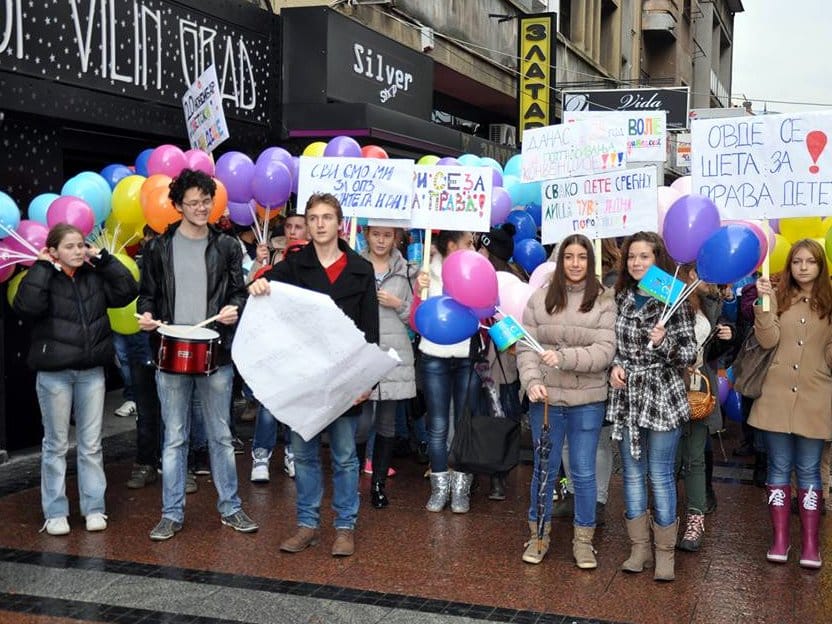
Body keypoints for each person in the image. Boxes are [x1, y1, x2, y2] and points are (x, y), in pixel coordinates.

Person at [248, 193, 379, 557]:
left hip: (344, 379)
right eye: (313, 218)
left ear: (340, 223)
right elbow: (264, 286)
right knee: (304, 454)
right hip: (303, 377)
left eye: (327, 217)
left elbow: (371, 331)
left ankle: (344, 526)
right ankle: (307, 524)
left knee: (344, 456)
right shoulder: (294, 265)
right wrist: (258, 282)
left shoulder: (360, 269)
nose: (320, 224)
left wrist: (367, 380)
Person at [138, 168, 258, 541]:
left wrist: (232, 309)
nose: (201, 208)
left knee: (221, 435)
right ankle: (171, 513)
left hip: (215, 351)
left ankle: (232, 508)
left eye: (206, 201)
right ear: (177, 205)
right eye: (193, 203)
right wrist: (145, 315)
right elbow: (148, 294)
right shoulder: (157, 247)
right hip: (170, 347)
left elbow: (240, 292)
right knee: (174, 436)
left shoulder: (226, 246)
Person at [14, 223, 137, 535]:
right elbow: (27, 306)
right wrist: (42, 266)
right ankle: (55, 513)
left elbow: (127, 291)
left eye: (81, 245)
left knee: (91, 444)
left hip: (91, 371)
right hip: (53, 373)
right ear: (53, 251)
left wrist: (105, 258)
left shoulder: (94, 275)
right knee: (55, 444)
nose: (78, 251)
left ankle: (94, 508)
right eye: (70, 246)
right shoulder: (43, 276)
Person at [516, 234, 615, 568]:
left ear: (591, 262)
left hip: (587, 400)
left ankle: (584, 540)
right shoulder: (539, 299)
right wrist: (530, 381)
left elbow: (604, 351)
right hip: (545, 399)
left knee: (584, 472)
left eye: (582, 257)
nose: (575, 263)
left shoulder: (604, 300)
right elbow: (526, 345)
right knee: (543, 470)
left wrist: (564, 357)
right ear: (560, 262)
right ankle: (539, 535)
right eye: (568, 257)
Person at [607, 231, 697, 582]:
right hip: (628, 394)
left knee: (659, 475)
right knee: (630, 474)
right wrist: (615, 364)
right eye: (632, 256)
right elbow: (613, 342)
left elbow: (689, 353)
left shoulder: (675, 298)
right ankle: (638, 548)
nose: (637, 262)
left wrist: (665, 341)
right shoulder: (622, 296)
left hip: (662, 394)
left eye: (645, 256)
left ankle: (665, 553)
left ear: (658, 260)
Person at [749, 239, 832, 569]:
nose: (803, 267)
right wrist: (764, 303)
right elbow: (767, 340)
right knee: (779, 468)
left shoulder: (830, 302)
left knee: (810, 470)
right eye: (797, 261)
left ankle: (811, 544)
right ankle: (780, 539)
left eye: (810, 262)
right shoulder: (778, 298)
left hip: (815, 396)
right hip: (777, 397)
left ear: (820, 266)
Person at [413, 230, 479, 514]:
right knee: (437, 426)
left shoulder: (474, 270)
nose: (472, 247)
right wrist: (420, 291)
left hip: (467, 356)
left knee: (464, 425)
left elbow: (486, 311)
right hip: (434, 357)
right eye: (467, 243)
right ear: (451, 245)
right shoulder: (428, 274)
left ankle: (462, 488)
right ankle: (440, 486)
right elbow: (417, 322)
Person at [675, 265, 734, 552]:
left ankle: (695, 518)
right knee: (667, 460)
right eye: (692, 271)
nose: (695, 277)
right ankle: (663, 517)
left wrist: (727, 335)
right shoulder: (664, 297)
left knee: (695, 456)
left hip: (699, 390)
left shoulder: (711, 301)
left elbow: (716, 352)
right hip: (666, 389)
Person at [358, 224, 416, 508]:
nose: (381, 240)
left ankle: (378, 485)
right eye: (376, 234)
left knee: (387, 424)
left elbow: (416, 319)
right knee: (361, 422)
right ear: (367, 235)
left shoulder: (408, 271)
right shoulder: (355, 266)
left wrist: (399, 304)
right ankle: (354, 477)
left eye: (387, 235)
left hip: (394, 355)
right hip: (363, 352)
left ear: (396, 238)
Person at [475, 223, 524, 501]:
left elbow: (513, 331)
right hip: (489, 362)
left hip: (499, 363)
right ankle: (495, 473)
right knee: (497, 415)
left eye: (481, 248)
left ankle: (497, 476)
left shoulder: (505, 281)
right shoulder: (509, 275)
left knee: (497, 415)